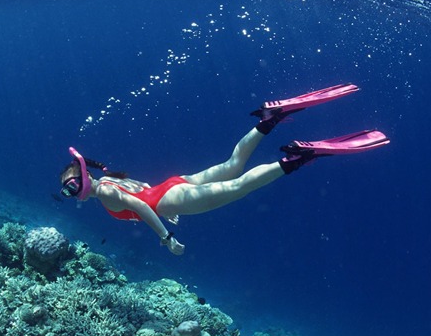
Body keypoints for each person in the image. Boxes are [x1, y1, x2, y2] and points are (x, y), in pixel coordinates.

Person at [60, 84, 389, 255]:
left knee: (239, 187)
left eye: (72, 187)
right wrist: (163, 206)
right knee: (233, 165)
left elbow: (140, 205)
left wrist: (166, 237)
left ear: (84, 180)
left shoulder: (104, 192)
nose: (73, 194)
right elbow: (141, 188)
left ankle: (295, 158)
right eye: (68, 191)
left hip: (170, 199)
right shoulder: (107, 180)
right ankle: (268, 121)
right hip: (172, 187)